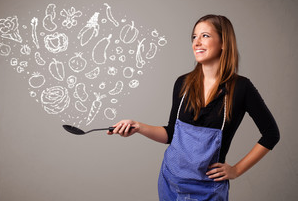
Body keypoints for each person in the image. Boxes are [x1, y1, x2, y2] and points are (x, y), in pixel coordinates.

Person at [107, 14, 280, 201]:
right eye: (194, 37)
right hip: (170, 182)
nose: (196, 42)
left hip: (209, 189)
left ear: (224, 42)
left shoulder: (241, 88)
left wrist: (236, 170)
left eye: (205, 36)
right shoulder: (182, 83)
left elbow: (271, 134)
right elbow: (171, 134)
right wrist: (138, 127)